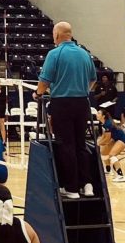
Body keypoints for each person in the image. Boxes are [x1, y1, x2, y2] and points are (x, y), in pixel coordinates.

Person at [35, 22, 97, 198]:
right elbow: (93, 79)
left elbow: (44, 81)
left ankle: (71, 188)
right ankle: (87, 184)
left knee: (66, 145)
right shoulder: (85, 54)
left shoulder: (55, 54)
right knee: (81, 144)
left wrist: (38, 94)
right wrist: (83, 90)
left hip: (62, 103)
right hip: (82, 103)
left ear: (57, 35)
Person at [96, 108, 125, 182]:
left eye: (98, 113)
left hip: (122, 139)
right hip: (115, 139)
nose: (96, 114)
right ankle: (108, 170)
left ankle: (121, 176)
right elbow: (104, 136)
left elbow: (107, 139)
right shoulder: (104, 123)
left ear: (103, 116)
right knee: (103, 152)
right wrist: (98, 142)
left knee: (112, 155)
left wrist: (98, 143)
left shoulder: (107, 124)